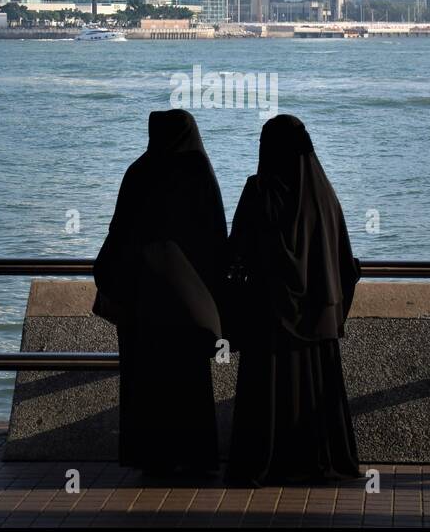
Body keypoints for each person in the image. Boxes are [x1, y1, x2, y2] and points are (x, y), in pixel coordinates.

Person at [225, 114, 362, 486]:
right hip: (317, 322)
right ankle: (315, 461)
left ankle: (266, 462)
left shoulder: (258, 191)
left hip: (268, 321)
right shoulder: (324, 196)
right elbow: (344, 263)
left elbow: (236, 254)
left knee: (266, 395)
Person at [93, 109, 227, 475]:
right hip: (189, 305)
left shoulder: (139, 171)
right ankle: (195, 455)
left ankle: (152, 456)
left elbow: (118, 236)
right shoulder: (199, 173)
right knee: (189, 382)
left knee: (145, 381)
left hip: (142, 304)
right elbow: (216, 239)